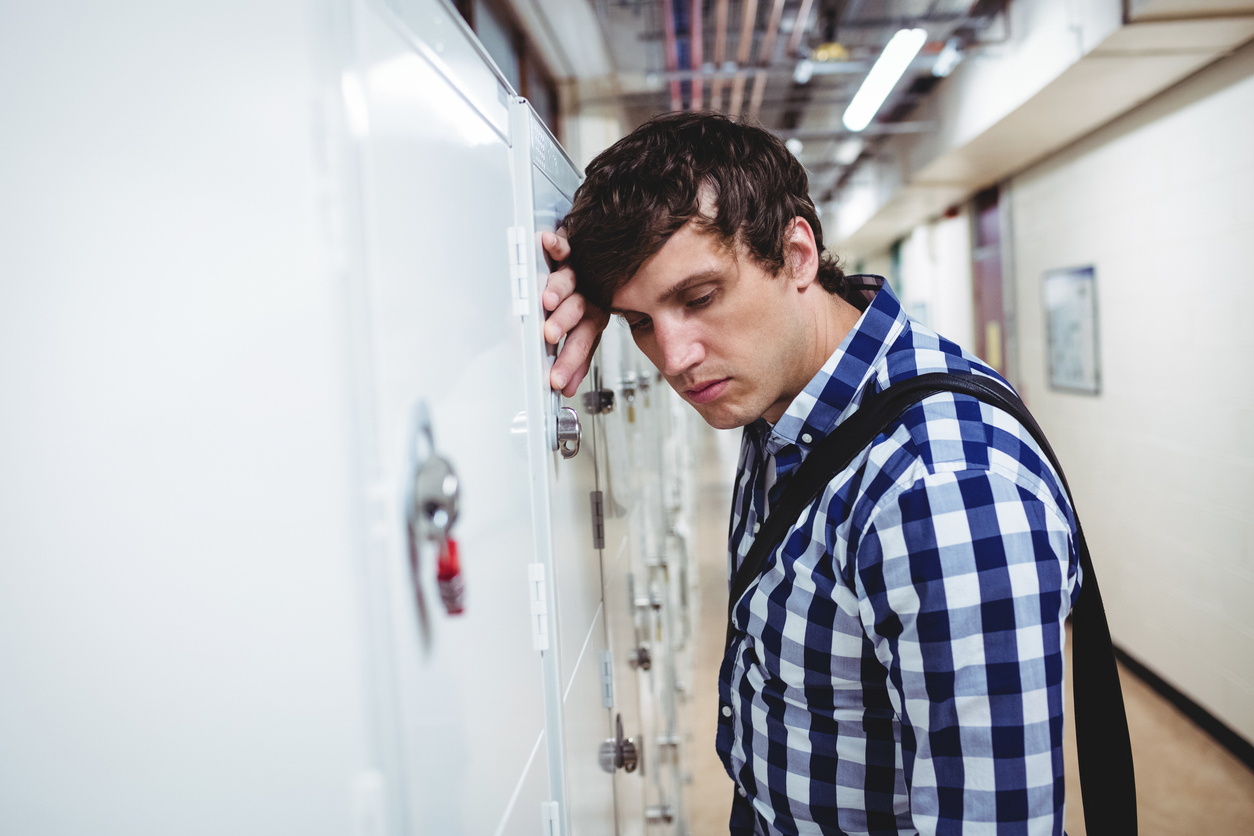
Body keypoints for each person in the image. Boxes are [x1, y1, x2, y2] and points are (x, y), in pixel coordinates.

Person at [539, 113, 1080, 836]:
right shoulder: (784, 395)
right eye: (639, 321)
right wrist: (591, 292)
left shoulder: (940, 486)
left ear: (796, 253)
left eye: (698, 298)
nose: (672, 357)